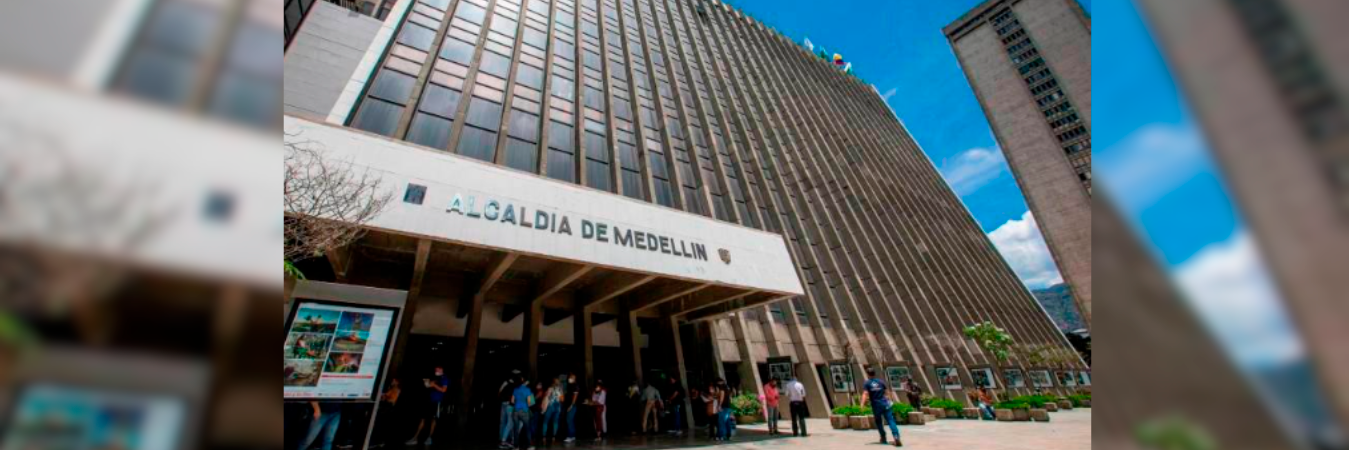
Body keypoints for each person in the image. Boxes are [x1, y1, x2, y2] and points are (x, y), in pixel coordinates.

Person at [406, 367, 448, 446]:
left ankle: (429, 438)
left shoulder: (444, 378)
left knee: (433, 420)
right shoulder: (435, 378)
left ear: (442, 370)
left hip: (437, 402)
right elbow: (427, 386)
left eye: (438, 369)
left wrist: (434, 385)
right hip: (429, 401)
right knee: (423, 418)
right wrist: (426, 382)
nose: (436, 371)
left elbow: (443, 390)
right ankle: (415, 438)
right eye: (435, 369)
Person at [862, 368, 902, 447]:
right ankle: (896, 436)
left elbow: (865, 394)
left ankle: (883, 437)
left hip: (876, 405)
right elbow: (887, 392)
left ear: (868, 374)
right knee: (891, 420)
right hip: (885, 404)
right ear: (874, 373)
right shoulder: (881, 382)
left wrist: (862, 404)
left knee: (879, 422)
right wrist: (890, 400)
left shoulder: (867, 383)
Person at [510, 374, 536, 450]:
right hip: (524, 411)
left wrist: (518, 403)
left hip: (515, 411)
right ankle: (528, 446)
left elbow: (512, 401)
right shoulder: (527, 389)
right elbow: (530, 403)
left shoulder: (515, 389)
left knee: (516, 429)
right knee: (527, 429)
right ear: (522, 381)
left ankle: (516, 446)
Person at [497, 372, 519, 449]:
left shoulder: (506, 382)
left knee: (503, 421)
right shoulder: (515, 384)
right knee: (509, 422)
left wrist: (501, 398)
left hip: (503, 403)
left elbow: (499, 391)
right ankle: (506, 440)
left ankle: (502, 439)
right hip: (509, 404)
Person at [540, 378, 562, 444]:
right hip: (557, 406)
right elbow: (562, 399)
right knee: (555, 422)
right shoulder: (560, 389)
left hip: (550, 406)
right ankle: (553, 438)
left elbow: (545, 397)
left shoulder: (549, 388)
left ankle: (544, 437)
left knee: (545, 422)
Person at [563, 373, 580, 443]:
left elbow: (575, 396)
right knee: (570, 421)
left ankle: (570, 436)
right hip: (569, 405)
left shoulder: (575, 385)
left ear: (574, 378)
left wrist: (571, 405)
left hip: (572, 406)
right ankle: (573, 436)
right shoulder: (570, 385)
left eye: (572, 377)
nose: (570, 378)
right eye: (570, 377)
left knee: (569, 420)